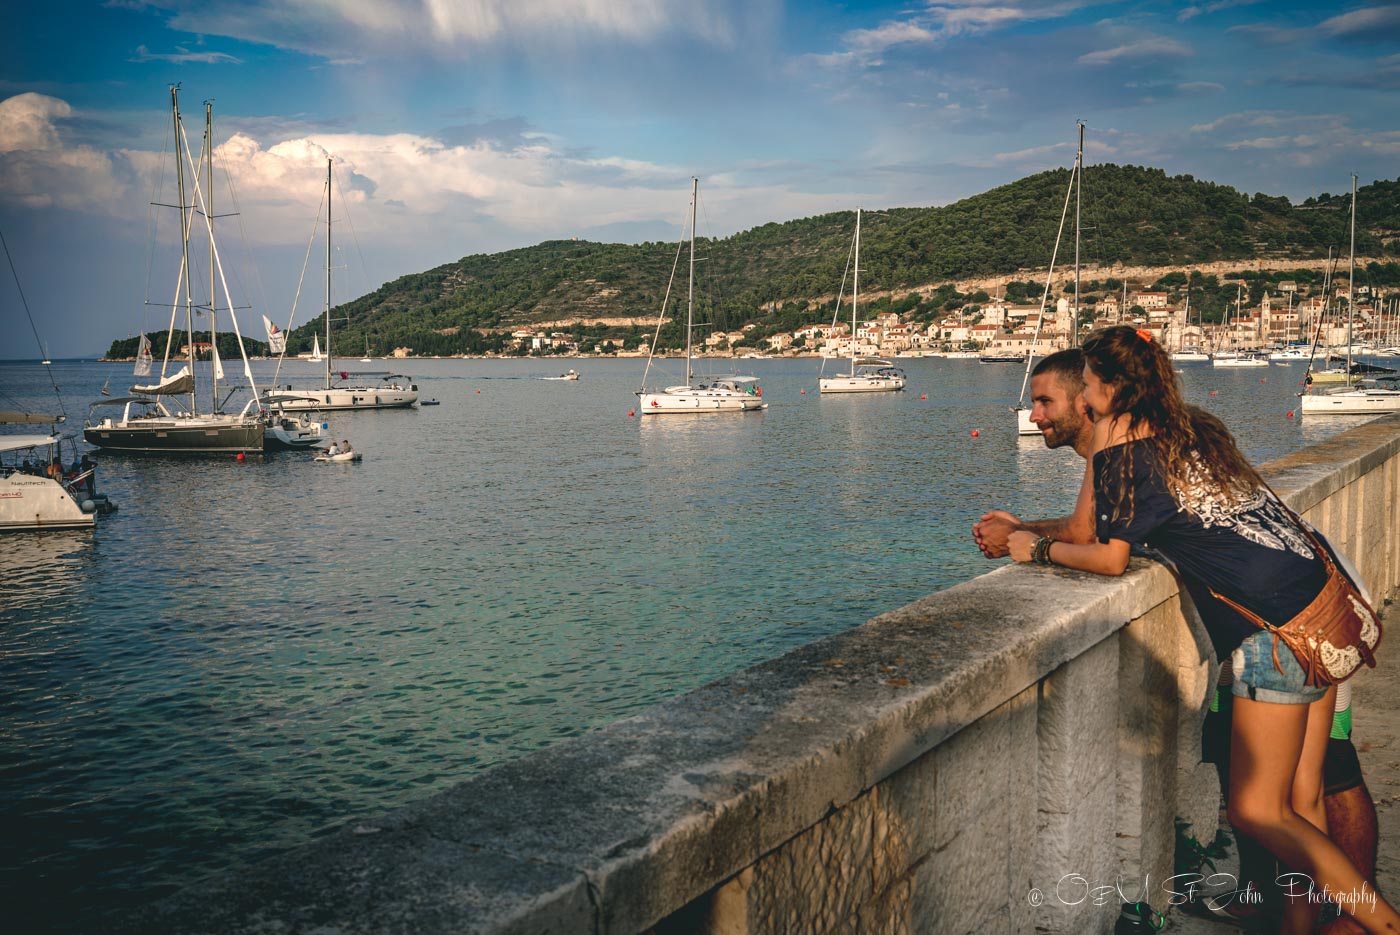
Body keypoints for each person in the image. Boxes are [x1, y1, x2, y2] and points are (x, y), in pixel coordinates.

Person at [1006, 325, 1397, 934]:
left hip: (1275, 632)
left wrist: (1033, 551)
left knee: (1256, 809)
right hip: (1323, 606)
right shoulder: (1189, 431)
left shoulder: (1126, 457)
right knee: (1302, 801)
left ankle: (1380, 923)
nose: (1079, 400)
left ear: (1107, 390)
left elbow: (1107, 557)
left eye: (1083, 386)